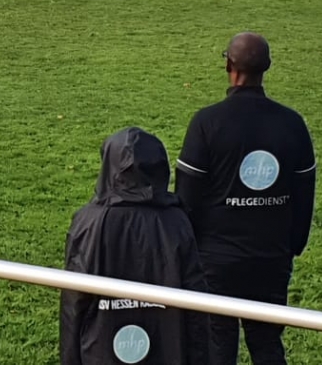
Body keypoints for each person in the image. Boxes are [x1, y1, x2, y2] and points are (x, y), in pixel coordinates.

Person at [176, 32, 317, 365]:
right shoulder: (292, 123)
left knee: (217, 347)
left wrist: (189, 253)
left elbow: (186, 199)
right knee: (267, 345)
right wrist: (290, 247)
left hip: (215, 262)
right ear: (267, 67)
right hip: (271, 258)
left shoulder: (206, 122)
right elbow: (304, 195)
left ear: (228, 64)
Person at [61, 127, 212, 365]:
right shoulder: (176, 221)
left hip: (100, 350)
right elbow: (196, 303)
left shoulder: (88, 221)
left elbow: (74, 302)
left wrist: (70, 359)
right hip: (168, 350)